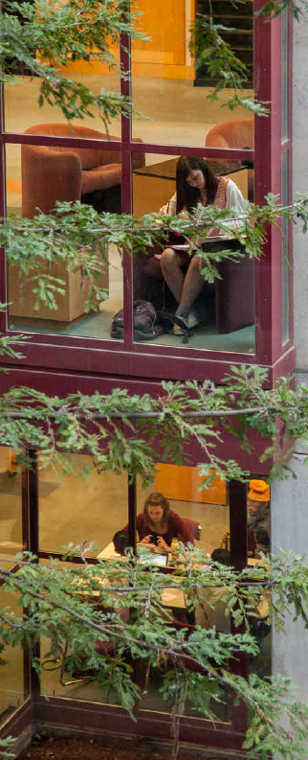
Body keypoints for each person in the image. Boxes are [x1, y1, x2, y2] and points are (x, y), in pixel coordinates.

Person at [158, 156, 248, 333]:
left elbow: (242, 221)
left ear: (203, 168)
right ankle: (190, 314)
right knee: (167, 257)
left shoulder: (227, 186)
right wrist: (174, 219)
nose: (193, 183)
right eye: (188, 181)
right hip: (190, 244)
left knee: (199, 258)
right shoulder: (187, 190)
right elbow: (166, 213)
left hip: (214, 246)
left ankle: (182, 314)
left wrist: (216, 226)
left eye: (195, 177)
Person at [122, 491, 193, 553]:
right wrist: (139, 545)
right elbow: (121, 536)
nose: (154, 517)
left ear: (164, 510)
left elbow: (190, 543)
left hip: (169, 556)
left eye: (158, 513)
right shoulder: (142, 517)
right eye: (150, 512)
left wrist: (170, 549)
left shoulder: (173, 518)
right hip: (145, 556)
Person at [247, 479, 270, 556]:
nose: (249, 505)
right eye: (248, 500)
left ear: (265, 504)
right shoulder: (259, 515)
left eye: (254, 501)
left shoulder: (270, 522)